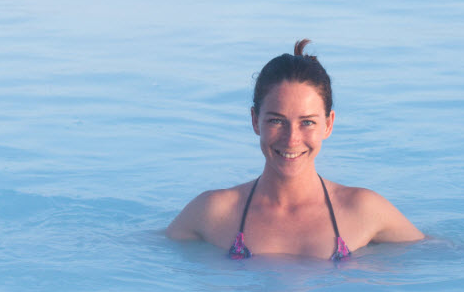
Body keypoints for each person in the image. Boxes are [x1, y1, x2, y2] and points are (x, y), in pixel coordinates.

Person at [166, 40, 424, 260]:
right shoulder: (214, 212)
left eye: (307, 122)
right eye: (277, 120)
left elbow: (438, 256)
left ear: (329, 124)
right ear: (255, 120)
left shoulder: (363, 210)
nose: (292, 139)